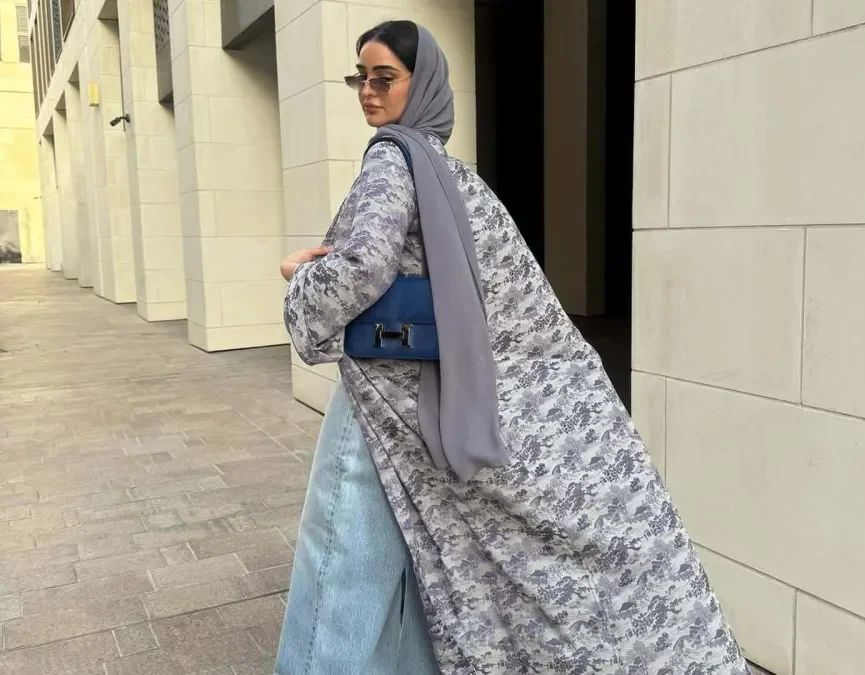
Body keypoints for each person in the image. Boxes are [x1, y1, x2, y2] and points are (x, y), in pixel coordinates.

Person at [276, 20, 750, 675]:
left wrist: (300, 277)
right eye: (361, 77)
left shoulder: (392, 158)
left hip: (392, 392)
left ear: (423, 82)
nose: (368, 91)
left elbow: (363, 266)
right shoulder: (451, 174)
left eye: (384, 77)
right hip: (425, 389)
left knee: (341, 556)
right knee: (393, 556)